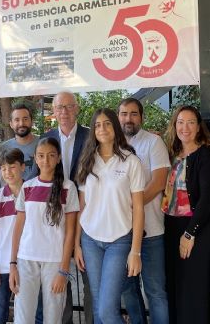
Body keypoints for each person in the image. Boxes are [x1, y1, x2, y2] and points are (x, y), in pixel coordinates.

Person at [75, 108, 145, 324]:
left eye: (107, 123)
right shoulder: (87, 160)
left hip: (120, 240)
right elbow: (81, 205)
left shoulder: (131, 161)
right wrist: (77, 244)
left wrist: (135, 252)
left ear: (115, 126)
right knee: (98, 309)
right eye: (97, 125)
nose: (102, 129)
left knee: (107, 311)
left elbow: (139, 209)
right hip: (90, 240)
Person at [162, 105, 210, 323]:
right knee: (180, 287)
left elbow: (209, 198)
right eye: (180, 122)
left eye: (191, 122)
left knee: (199, 289)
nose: (185, 127)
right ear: (175, 125)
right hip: (172, 228)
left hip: (199, 229)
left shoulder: (206, 154)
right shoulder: (171, 154)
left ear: (199, 127)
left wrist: (190, 233)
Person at [9, 138, 79, 323]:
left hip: (55, 262)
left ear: (58, 158)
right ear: (35, 158)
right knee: (23, 317)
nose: (45, 161)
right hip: (26, 259)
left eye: (51, 156)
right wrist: (13, 264)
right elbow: (18, 228)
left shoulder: (68, 187)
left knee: (53, 317)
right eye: (41, 156)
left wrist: (63, 270)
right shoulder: (28, 187)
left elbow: (70, 232)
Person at [117, 98, 169, 324]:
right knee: (128, 290)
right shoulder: (111, 146)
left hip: (151, 230)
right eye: (124, 114)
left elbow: (158, 183)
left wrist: (131, 208)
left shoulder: (154, 143)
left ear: (141, 117)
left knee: (155, 291)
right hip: (122, 232)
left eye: (133, 114)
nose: (128, 118)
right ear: (118, 117)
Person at [43, 91, 92, 323]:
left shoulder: (91, 137)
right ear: (53, 112)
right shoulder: (47, 138)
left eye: (69, 106)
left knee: (89, 278)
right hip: (56, 221)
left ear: (77, 108)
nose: (64, 112)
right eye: (59, 107)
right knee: (59, 278)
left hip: (87, 217)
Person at [0, 148, 26, 324]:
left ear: (23, 167)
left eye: (12, 167)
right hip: (1, 266)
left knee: (27, 313)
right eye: (3, 168)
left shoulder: (31, 192)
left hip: (27, 263)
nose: (7, 172)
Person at [1, 102, 40, 181]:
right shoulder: (5, 147)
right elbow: (3, 178)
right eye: (17, 120)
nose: (21, 123)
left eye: (25, 119)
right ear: (11, 124)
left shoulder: (42, 144)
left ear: (32, 122)